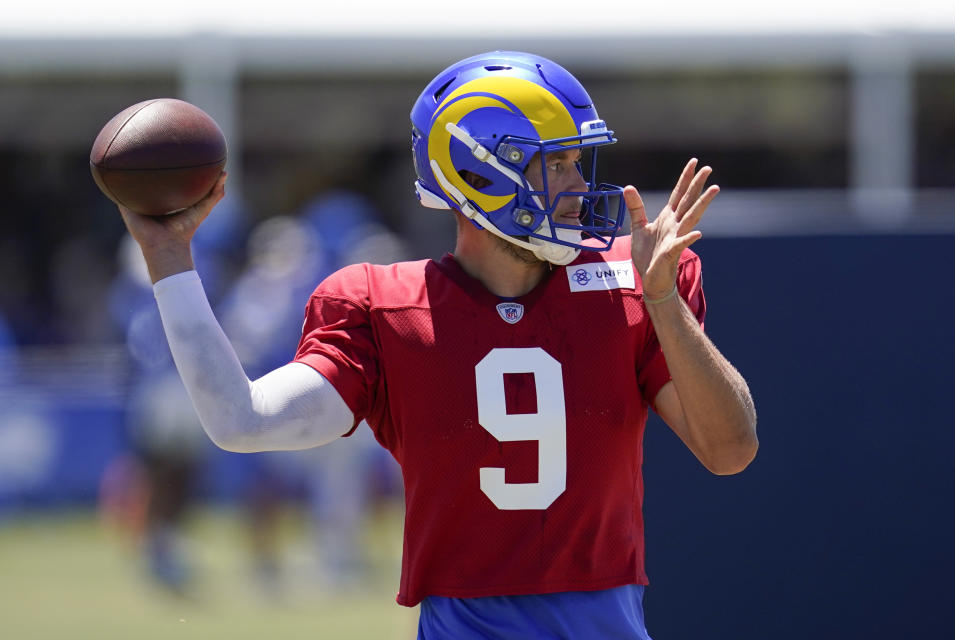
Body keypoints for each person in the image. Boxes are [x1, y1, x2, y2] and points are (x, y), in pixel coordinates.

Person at [118, 51, 758, 639]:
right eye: (555, 163)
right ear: (481, 171)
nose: (576, 185)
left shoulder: (630, 284)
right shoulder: (383, 308)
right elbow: (241, 421)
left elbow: (731, 450)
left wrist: (664, 303)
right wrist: (168, 255)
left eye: (574, 162)